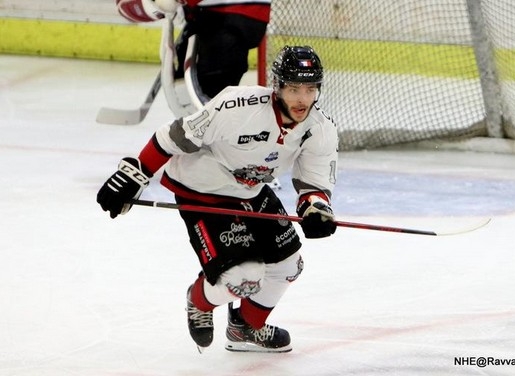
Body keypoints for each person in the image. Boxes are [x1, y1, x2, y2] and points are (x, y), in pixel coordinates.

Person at [96, 46, 339, 353]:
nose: (302, 99)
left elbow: (313, 184)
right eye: (293, 88)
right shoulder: (238, 106)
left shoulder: (320, 128)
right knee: (244, 277)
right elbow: (174, 135)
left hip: (251, 190)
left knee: (289, 265)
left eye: (310, 89)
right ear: (277, 86)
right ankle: (198, 300)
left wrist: (316, 209)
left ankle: (245, 327)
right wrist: (135, 173)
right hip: (202, 189)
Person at [115, 0, 270, 99]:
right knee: (194, 87)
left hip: (224, 19)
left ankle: (210, 134)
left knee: (202, 92)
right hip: (241, 18)